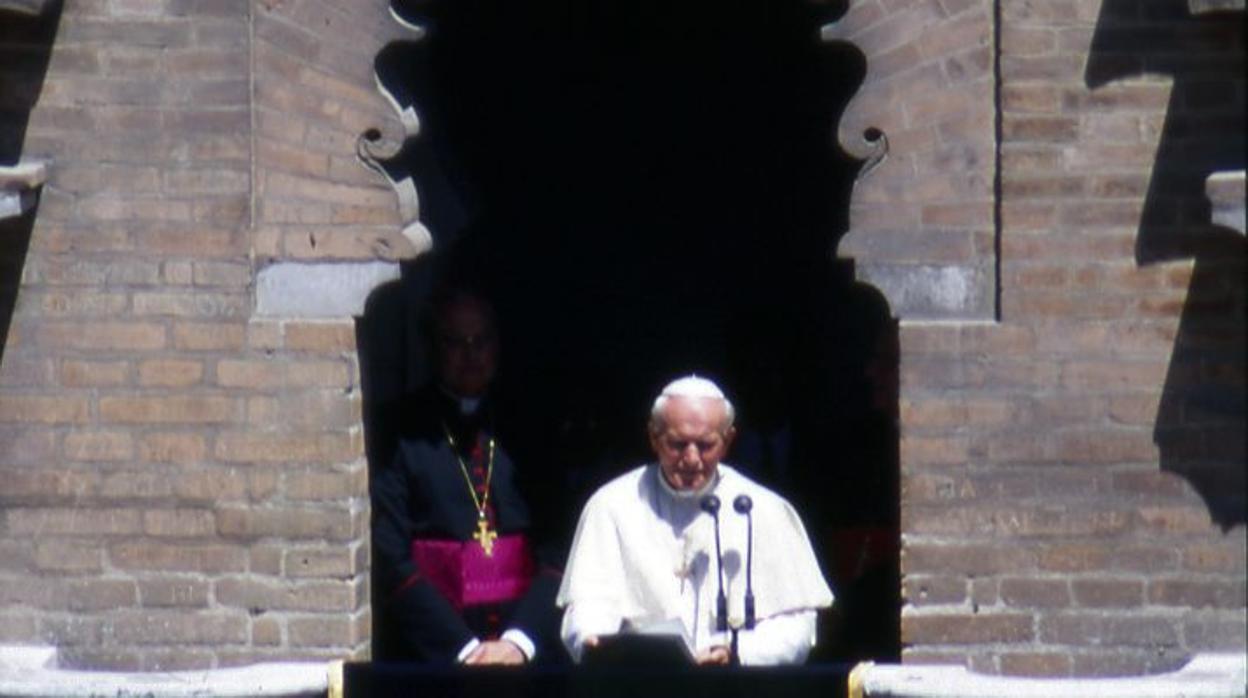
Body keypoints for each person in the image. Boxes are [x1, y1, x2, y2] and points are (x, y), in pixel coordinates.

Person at [557, 376, 833, 665]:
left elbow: (796, 624)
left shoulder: (765, 510)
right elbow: (588, 605)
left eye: (705, 445)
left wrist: (739, 654)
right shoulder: (611, 505)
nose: (691, 459)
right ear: (654, 437)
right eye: (677, 444)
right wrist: (592, 638)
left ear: (728, 441)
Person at [372, 288, 561, 665]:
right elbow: (389, 554)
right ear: (431, 348)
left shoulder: (530, 422)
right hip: (434, 649)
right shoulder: (399, 428)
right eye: (455, 342)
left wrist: (519, 641)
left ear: (498, 345)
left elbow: (557, 543)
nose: (470, 355)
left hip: (523, 647)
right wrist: (462, 649)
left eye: (481, 341)